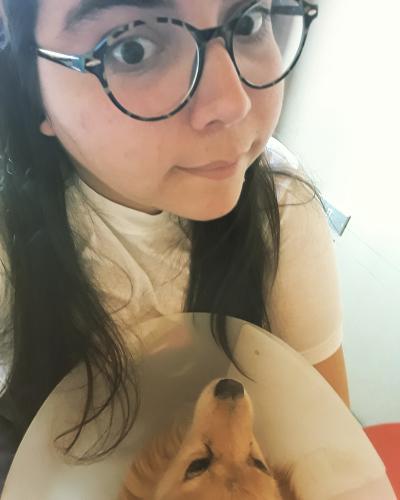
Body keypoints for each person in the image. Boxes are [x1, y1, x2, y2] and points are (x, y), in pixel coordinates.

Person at [0, 0, 350, 491]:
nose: (233, 102)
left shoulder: (281, 207)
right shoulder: (11, 245)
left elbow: (333, 464)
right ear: (32, 91)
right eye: (132, 48)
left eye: (249, 21)